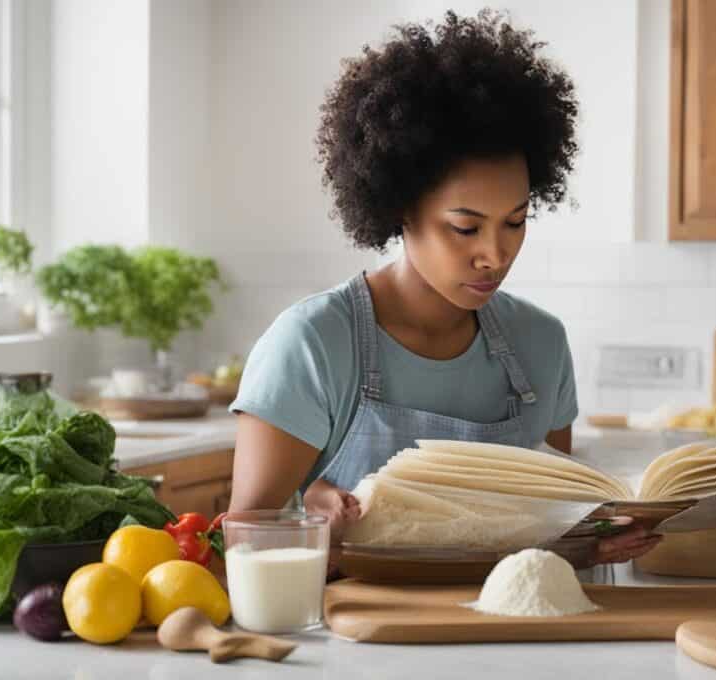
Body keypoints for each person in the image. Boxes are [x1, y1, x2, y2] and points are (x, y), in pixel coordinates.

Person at [227, 10, 660, 566]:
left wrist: (590, 542)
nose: (496, 254)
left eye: (516, 220)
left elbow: (554, 522)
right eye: (465, 227)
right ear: (401, 208)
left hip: (518, 635)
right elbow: (244, 537)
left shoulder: (541, 344)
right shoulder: (312, 344)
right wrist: (318, 523)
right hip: (358, 642)